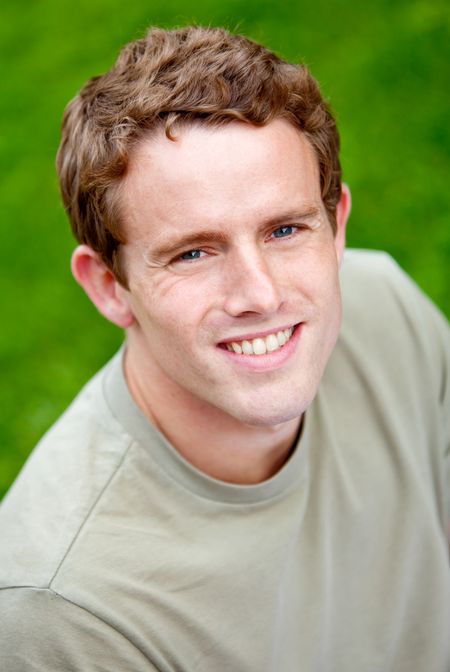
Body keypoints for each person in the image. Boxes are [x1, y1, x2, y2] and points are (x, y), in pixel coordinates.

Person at [0, 25, 449, 671]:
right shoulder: (64, 610)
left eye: (286, 229)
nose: (259, 294)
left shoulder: (383, 306)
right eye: (193, 252)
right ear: (109, 286)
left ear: (337, 224)